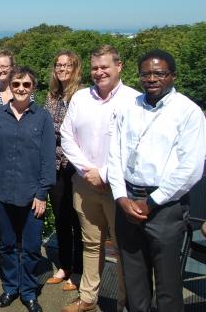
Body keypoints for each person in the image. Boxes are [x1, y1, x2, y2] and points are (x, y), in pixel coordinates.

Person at [108, 49, 206, 312]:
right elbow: (114, 154)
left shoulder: (188, 112)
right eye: (146, 74)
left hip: (165, 207)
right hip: (127, 201)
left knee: (168, 286)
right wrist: (120, 197)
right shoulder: (128, 107)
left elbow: (191, 168)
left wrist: (152, 201)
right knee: (134, 280)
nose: (151, 78)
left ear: (173, 75)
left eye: (159, 73)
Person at [60, 45, 139, 312]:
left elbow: (136, 145)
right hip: (85, 183)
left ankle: (125, 302)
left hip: (121, 188)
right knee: (91, 244)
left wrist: (104, 173)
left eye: (105, 66)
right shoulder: (81, 98)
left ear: (119, 66)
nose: (99, 72)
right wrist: (87, 171)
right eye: (95, 67)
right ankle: (88, 298)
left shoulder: (134, 100)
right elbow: (66, 135)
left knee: (125, 249)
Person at [0, 67, 56, 312]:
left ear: (33, 87)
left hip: (32, 194)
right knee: (8, 244)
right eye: (16, 84)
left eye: (26, 84)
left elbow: (47, 158)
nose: (21, 89)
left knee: (32, 247)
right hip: (2, 191)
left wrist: (42, 193)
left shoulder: (42, 117)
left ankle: (29, 291)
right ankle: (10, 287)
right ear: (10, 87)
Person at [44, 50, 84, 292]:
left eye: (67, 65)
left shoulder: (82, 95)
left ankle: (79, 271)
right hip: (54, 165)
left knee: (79, 220)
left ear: (75, 67)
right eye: (59, 65)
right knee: (61, 217)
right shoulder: (52, 94)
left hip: (75, 166)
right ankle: (65, 266)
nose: (62, 69)